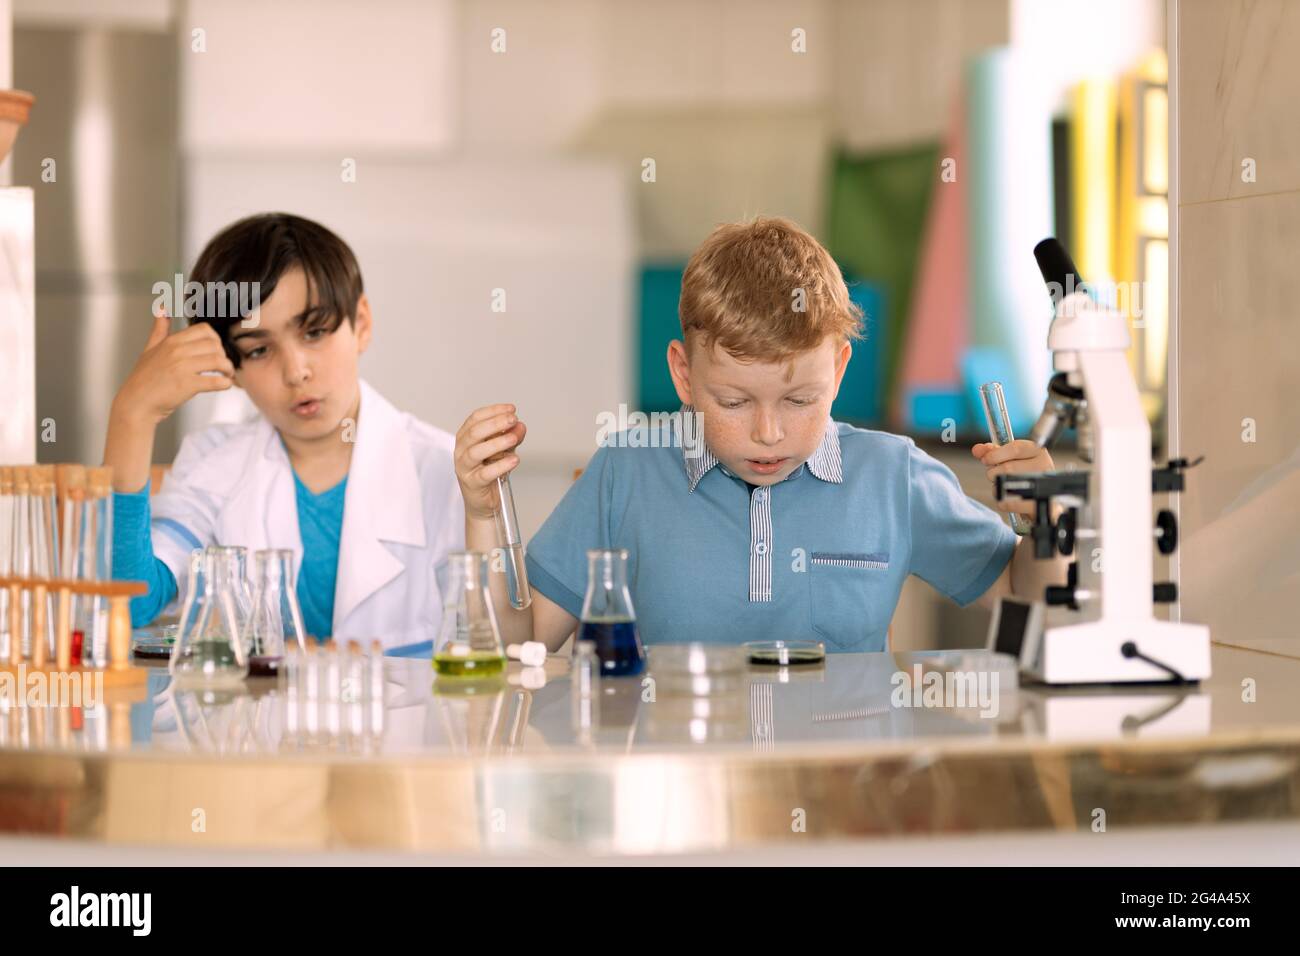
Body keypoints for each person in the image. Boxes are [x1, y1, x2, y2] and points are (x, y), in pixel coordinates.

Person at [455, 215, 1066, 652]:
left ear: (839, 372)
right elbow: (520, 647)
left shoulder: (892, 476)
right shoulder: (627, 471)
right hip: (674, 806)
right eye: (734, 401)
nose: (768, 433)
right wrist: (484, 515)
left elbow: (1030, 606)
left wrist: (1045, 520)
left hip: (840, 812)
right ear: (683, 375)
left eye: (800, 400)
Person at [105, 213, 462, 651]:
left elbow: (490, 648)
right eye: (258, 350)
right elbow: (126, 609)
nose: (296, 372)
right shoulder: (214, 463)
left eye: (314, 331)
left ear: (361, 323)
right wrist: (132, 416)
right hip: (255, 722)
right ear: (228, 367)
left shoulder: (444, 468)